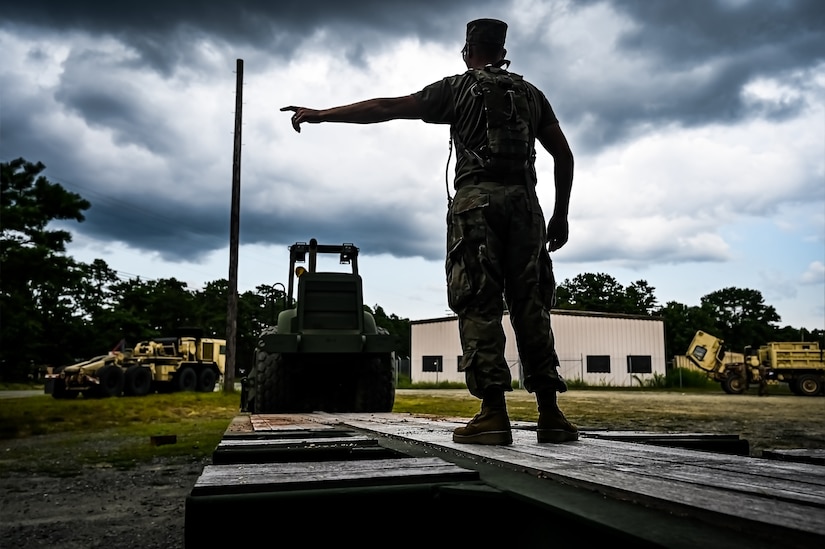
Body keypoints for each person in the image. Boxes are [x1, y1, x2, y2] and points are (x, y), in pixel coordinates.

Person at [282, 18, 576, 445]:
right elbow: (563, 155)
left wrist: (322, 115)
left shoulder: (455, 89)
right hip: (527, 208)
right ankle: (551, 414)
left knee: (478, 303)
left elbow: (385, 108)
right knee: (531, 305)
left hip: (475, 204)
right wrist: (560, 214)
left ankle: (493, 413)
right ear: (503, 49)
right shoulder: (532, 96)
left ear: (469, 48)